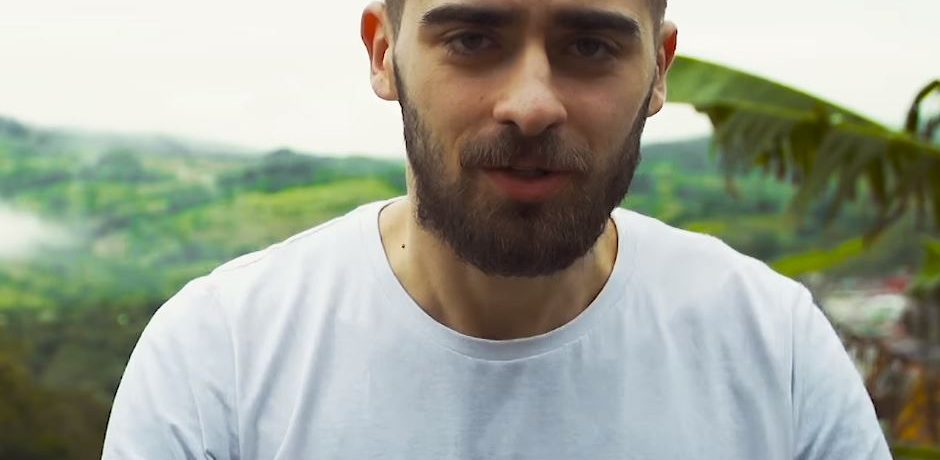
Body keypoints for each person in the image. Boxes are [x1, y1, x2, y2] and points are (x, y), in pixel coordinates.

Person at [102, 0, 892, 458]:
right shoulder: (219, 357)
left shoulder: (773, 347)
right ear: (383, 53)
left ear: (660, 69)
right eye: (473, 39)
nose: (532, 105)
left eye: (590, 45)